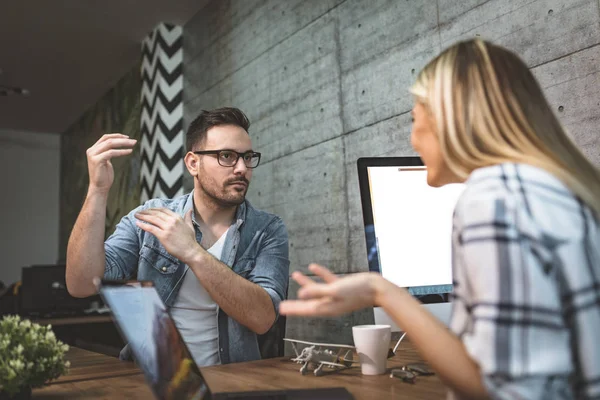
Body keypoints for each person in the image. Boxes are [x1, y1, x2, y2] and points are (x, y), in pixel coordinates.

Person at [280, 39, 600, 399]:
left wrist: (381, 291)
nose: (412, 139)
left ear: (452, 119)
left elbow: (499, 389)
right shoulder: (560, 189)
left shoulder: (492, 200)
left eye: (415, 119)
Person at [66, 107, 290, 366]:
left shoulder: (267, 230)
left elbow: (263, 319)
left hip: (233, 384)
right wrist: (97, 190)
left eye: (247, 157)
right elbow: (80, 284)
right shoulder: (150, 218)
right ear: (193, 163)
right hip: (153, 379)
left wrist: (193, 252)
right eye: (227, 156)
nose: (242, 168)